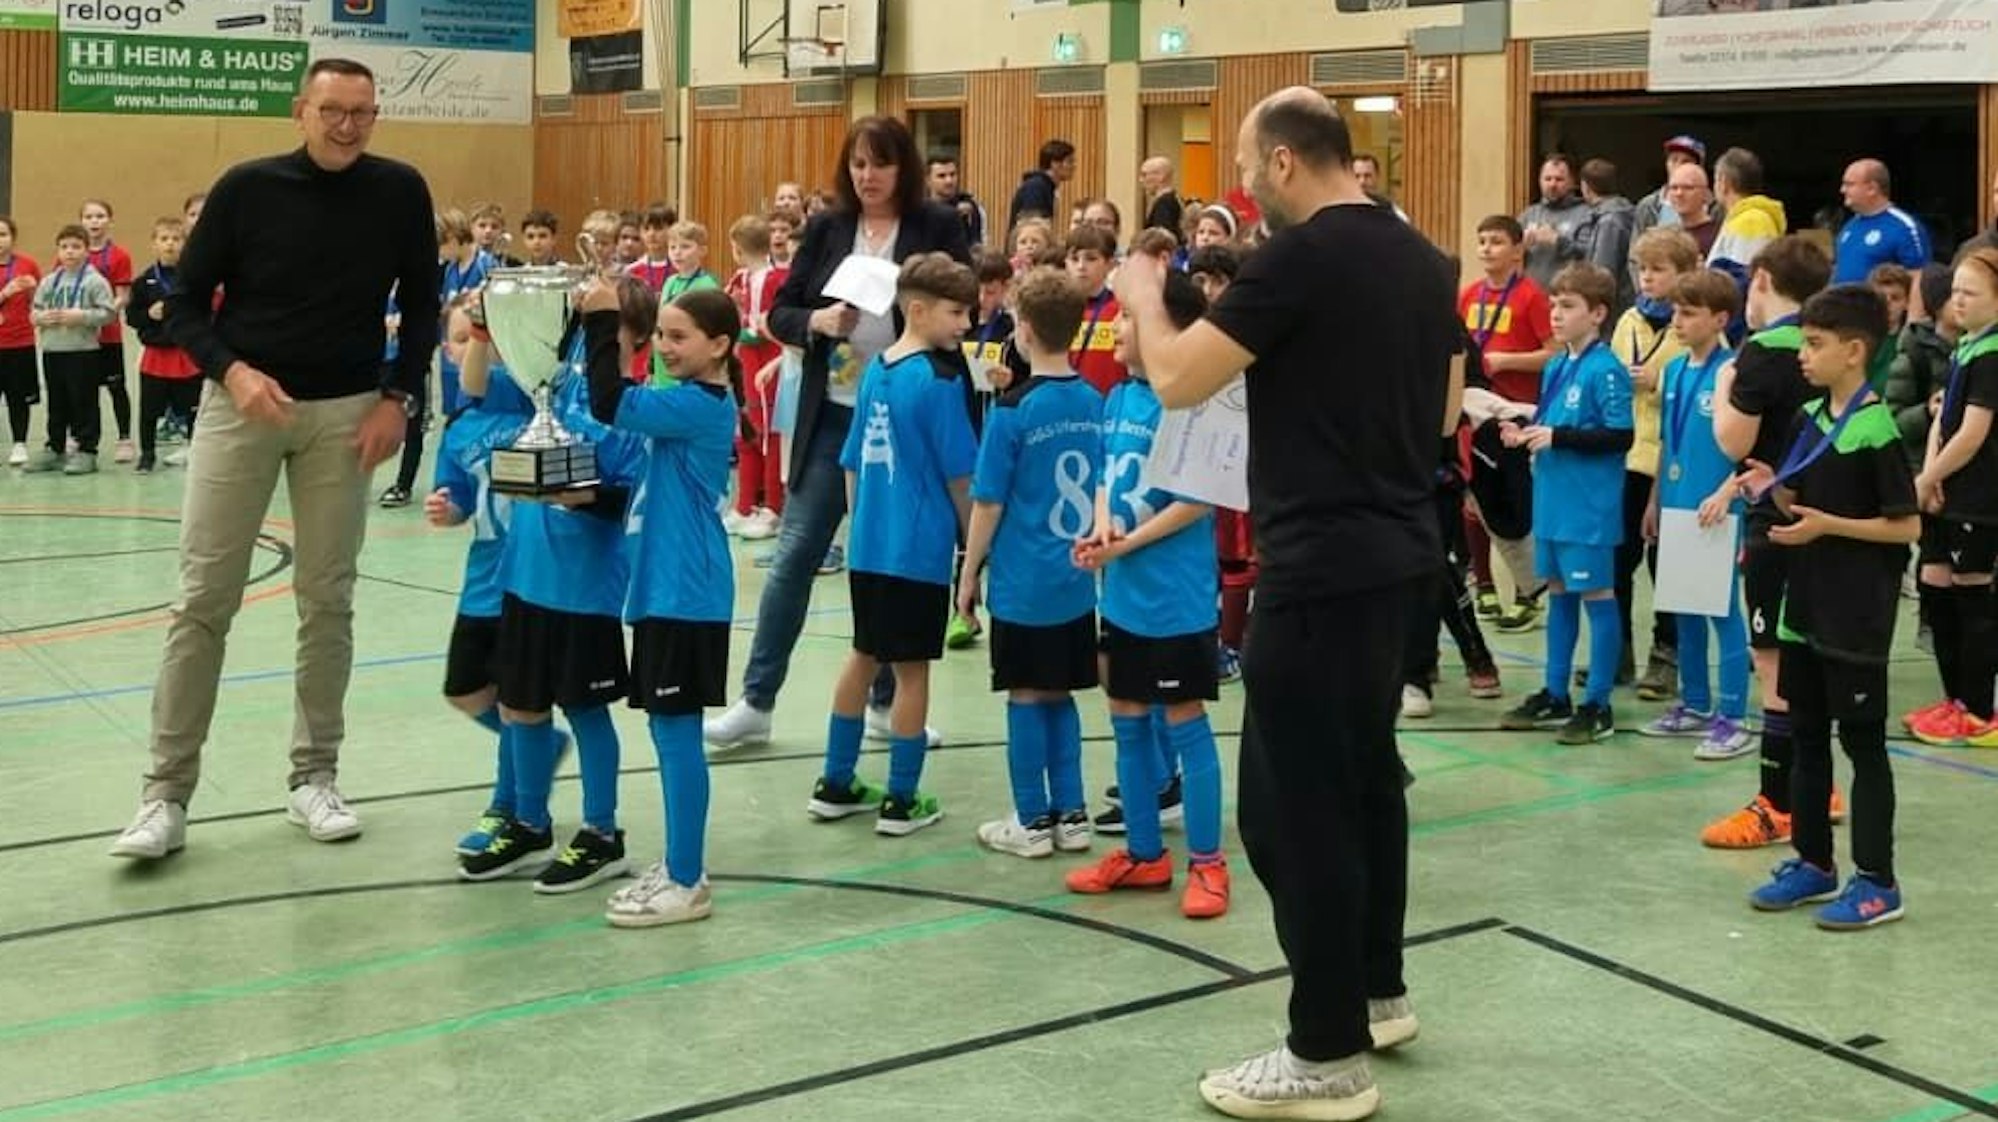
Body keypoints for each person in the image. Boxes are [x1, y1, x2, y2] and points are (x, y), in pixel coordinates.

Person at [1115, 87, 1458, 1121]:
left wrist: (1144, 293)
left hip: (1320, 569)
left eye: (1244, 164)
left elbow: (1175, 378)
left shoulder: (1299, 257)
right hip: (1403, 557)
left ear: (1282, 162)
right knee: (1367, 784)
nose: (1242, 184)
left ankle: (1324, 1052)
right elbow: (1445, 409)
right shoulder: (1421, 258)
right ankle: (1376, 992)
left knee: (1290, 808)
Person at [108, 58, 441, 861]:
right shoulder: (247, 189)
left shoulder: (400, 191)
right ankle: (164, 797)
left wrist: (397, 397)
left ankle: (314, 777)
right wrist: (233, 373)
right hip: (243, 407)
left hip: (346, 416)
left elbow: (424, 304)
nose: (347, 125)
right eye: (332, 110)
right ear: (301, 110)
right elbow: (182, 305)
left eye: (362, 111)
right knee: (202, 601)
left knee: (328, 601)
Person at [705, 116, 973, 750]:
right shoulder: (827, 227)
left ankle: (885, 703)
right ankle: (757, 699)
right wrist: (818, 322)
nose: (867, 175)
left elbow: (962, 302)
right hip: (833, 413)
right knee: (795, 555)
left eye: (880, 163)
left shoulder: (937, 225)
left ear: (903, 167)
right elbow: (781, 311)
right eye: (857, 164)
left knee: (890, 563)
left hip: (909, 420)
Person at [457, 281, 649, 892]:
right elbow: (476, 387)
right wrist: (489, 321)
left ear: (636, 344)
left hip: (585, 591)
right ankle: (529, 822)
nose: (592, 346)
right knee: (520, 705)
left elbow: (630, 502)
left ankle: (601, 832)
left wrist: (585, 497)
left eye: (607, 334)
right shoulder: (556, 386)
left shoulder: (633, 412)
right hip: (525, 577)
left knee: (586, 710)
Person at [1741, 284, 1918, 931]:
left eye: (1815, 344)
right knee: (1808, 738)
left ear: (1854, 351)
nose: (1803, 355)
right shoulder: (1808, 418)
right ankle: (1814, 862)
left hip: (1856, 616)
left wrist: (1829, 527)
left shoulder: (1876, 430)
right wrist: (1770, 490)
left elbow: (1905, 527)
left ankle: (1878, 882)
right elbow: (1799, 501)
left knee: (1863, 746)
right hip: (1804, 607)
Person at [1066, 270, 1231, 919]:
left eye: (1130, 316)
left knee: (1184, 720)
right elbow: (1108, 477)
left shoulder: (1194, 401)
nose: (1116, 325)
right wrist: (1101, 525)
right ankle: (1143, 854)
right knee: (1127, 717)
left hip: (1174, 597)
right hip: (1124, 594)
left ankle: (1209, 863)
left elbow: (1196, 501)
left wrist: (1125, 543)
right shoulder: (1119, 398)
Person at [585, 284, 742, 928]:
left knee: (677, 734)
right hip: (662, 589)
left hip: (688, 593)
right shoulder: (682, 405)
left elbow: (607, 401)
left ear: (720, 345)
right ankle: (680, 863)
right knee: (664, 728)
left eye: (679, 337)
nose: (666, 348)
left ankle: (686, 879)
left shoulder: (700, 405)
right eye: (661, 336)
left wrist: (601, 319)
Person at [806, 253, 978, 835]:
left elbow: (852, 462)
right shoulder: (940, 381)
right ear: (918, 309)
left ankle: (836, 782)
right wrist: (974, 548)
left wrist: (860, 528)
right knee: (912, 672)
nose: (965, 325)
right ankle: (902, 799)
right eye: (956, 313)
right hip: (917, 551)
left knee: (862, 654)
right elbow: (961, 477)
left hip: (870, 548)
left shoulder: (875, 370)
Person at [956, 266, 1102, 859]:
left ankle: (1031, 819)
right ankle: (1073, 814)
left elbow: (988, 502)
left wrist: (968, 574)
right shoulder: (1094, 401)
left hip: (1023, 581)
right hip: (1076, 580)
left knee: (1023, 694)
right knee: (1060, 693)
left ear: (1024, 330)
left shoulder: (1011, 413)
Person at [1703, 235, 1839, 851]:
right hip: (1823, 515)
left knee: (1774, 664)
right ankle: (1817, 785)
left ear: (1760, 281)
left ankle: (1777, 804)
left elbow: (1733, 442)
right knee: (1808, 656)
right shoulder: (1828, 346)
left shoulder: (1761, 351)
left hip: (1775, 519)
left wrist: (1726, 381)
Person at [1496, 263, 1634, 744]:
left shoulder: (1606, 369)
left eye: (1568, 306)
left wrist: (1558, 436)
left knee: (1597, 596)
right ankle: (1555, 693)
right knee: (1557, 594)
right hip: (1552, 501)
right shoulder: (1557, 365)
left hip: (1587, 507)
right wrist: (1524, 429)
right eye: (1553, 304)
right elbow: (1555, 421)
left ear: (1597, 314)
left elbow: (1620, 435)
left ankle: (1598, 703)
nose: (1555, 314)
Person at [1639, 270, 1753, 759]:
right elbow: (1668, 442)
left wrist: (1729, 495)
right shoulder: (1674, 371)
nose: (1677, 321)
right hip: (1676, 502)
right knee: (1683, 608)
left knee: (1721, 610)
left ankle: (1734, 716)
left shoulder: (1733, 372)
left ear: (1720, 319)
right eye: (1676, 311)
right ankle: (1696, 703)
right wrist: (1654, 501)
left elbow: (1745, 448)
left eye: (1689, 313)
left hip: (1717, 509)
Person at [1906, 247, 1998, 745]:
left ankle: (1980, 709)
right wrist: (1931, 472)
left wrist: (1928, 478)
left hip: (1979, 497)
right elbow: (1944, 420)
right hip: (1947, 488)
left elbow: (1973, 433)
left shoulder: (1993, 354)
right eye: (1955, 292)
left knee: (1972, 593)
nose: (1958, 301)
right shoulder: (1965, 347)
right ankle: (1954, 698)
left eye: (1971, 293)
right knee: (1934, 583)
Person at [1608, 229, 1701, 698]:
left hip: (1668, 459)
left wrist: (1657, 383)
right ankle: (1616, 651)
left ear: (1683, 274)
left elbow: (1703, 382)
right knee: (1617, 558)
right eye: (1642, 269)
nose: (1647, 278)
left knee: (1665, 562)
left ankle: (1666, 655)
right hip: (1624, 456)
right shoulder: (1627, 321)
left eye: (1658, 270)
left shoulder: (1692, 326)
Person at [1461, 215, 1554, 628]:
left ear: (1518, 250)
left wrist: (1507, 361)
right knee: (1475, 500)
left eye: (1496, 241)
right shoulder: (1468, 295)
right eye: (1482, 240)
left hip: (1517, 414)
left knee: (1516, 501)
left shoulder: (1532, 297)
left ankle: (1526, 593)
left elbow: (1554, 352)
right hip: (1477, 412)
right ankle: (1483, 584)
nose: (1486, 248)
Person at [24, 225, 116, 475]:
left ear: (86, 250)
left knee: (84, 402)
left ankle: (87, 450)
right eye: (64, 247)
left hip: (83, 352)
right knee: (56, 403)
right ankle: (55, 448)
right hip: (53, 351)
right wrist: (41, 318)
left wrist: (82, 316)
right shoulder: (49, 281)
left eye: (76, 247)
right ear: (58, 251)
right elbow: (33, 312)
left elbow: (108, 313)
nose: (70, 252)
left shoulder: (95, 281)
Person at [723, 214, 788, 540]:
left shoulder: (770, 278)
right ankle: (745, 505)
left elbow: (762, 327)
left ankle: (773, 508)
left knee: (769, 436)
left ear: (738, 248)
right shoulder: (744, 277)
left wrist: (738, 333)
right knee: (746, 433)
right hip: (747, 366)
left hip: (766, 365)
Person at [127, 217, 203, 474]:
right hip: (156, 357)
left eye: (176, 239)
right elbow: (132, 317)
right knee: (149, 410)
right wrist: (149, 314)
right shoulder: (143, 282)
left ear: (185, 244)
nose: (170, 244)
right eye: (164, 239)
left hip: (186, 355)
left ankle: (195, 450)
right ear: (154, 244)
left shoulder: (194, 279)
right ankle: (147, 454)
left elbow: (206, 313)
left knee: (193, 409)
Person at [79, 198, 137, 463]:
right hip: (80, 337)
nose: (94, 222)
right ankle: (80, 436)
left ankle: (124, 439)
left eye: (100, 216)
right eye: (89, 217)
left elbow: (123, 296)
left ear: (110, 221)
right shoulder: (71, 253)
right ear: (81, 221)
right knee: (83, 389)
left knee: (116, 387)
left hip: (108, 334)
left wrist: (101, 317)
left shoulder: (119, 256)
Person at [1833, 159, 1930, 286]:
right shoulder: (1849, 227)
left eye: (1849, 184)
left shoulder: (1904, 227)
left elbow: (1919, 278)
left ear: (1872, 188)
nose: (1842, 190)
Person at [1708, 147, 1787, 295]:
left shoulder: (1751, 221)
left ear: (1724, 182)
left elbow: (1742, 282)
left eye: (1715, 179)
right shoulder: (1741, 218)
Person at [0, 215, 43, 467]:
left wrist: (34, 290)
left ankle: (19, 443)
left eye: (3, 234)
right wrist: (6, 292)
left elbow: (40, 301)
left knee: (18, 397)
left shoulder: (27, 265)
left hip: (20, 343)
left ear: (13, 238)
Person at [1066, 225, 1126, 395]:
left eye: (1091, 259)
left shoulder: (1122, 309)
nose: (1081, 266)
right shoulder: (1058, 309)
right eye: (1074, 259)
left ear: (1110, 264)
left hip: (1110, 402)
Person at [1518, 153, 1589, 289]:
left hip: (1569, 293)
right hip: (1532, 293)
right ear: (1540, 181)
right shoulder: (1529, 214)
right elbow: (1508, 255)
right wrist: (1520, 247)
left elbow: (1590, 256)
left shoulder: (1586, 214)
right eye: (1547, 179)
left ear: (1572, 182)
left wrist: (1558, 241)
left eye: (1559, 179)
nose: (1552, 184)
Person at [1576, 158, 1636, 315]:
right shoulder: (1622, 213)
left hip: (1612, 309)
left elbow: (1602, 273)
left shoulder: (1609, 222)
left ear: (1585, 187)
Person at [1631, 135, 1713, 239]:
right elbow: (1636, 247)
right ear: (1666, 164)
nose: (1678, 165)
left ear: (1698, 167)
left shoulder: (1715, 206)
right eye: (1674, 160)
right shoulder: (1648, 206)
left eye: (1686, 161)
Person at [1009, 139, 1077, 230]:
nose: (1074, 165)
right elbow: (1032, 227)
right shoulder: (1035, 188)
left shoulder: (1045, 187)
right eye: (1070, 161)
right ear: (1055, 164)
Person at [927, 153, 987, 247]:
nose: (949, 181)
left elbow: (981, 243)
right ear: (928, 180)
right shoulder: (918, 210)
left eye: (952, 175)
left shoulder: (974, 208)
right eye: (941, 176)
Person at [662, 221, 722, 302]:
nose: (677, 252)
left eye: (685, 246)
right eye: (672, 247)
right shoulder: (670, 282)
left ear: (702, 250)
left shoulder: (708, 284)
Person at [627, 203, 678, 293]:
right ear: (640, 232)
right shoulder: (631, 271)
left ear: (672, 230)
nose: (651, 234)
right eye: (646, 228)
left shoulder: (680, 268)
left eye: (658, 228)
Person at [1142, 156, 1184, 236]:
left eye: (1144, 175)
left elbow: (1161, 238)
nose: (1141, 180)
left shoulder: (1164, 204)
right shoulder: (1175, 199)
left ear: (1161, 176)